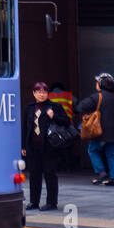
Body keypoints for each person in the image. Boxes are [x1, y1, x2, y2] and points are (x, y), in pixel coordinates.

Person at [23, 82, 70, 211]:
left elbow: (66, 122)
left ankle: (51, 203)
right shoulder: (29, 108)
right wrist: (23, 146)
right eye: (38, 92)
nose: (41, 94)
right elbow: (25, 128)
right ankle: (34, 202)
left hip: (50, 147)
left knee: (50, 175)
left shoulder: (54, 107)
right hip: (33, 147)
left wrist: (53, 116)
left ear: (48, 94)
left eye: (44, 92)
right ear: (34, 93)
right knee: (34, 175)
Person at [78, 72, 114, 184]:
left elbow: (80, 106)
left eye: (97, 82)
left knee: (92, 150)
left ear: (100, 84)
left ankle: (101, 172)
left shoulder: (97, 97)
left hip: (100, 132)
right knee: (112, 154)